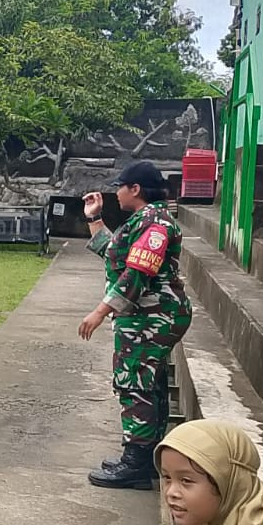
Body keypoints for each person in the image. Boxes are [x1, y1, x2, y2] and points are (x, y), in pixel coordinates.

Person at [81, 160, 193, 489]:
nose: (114, 193)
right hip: (146, 315)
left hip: (151, 317)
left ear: (136, 189)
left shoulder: (155, 223)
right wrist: (94, 217)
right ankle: (145, 458)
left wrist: (100, 312)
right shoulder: (144, 220)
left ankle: (136, 464)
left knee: (134, 383)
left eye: (120, 186)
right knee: (148, 382)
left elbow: (137, 274)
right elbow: (116, 255)